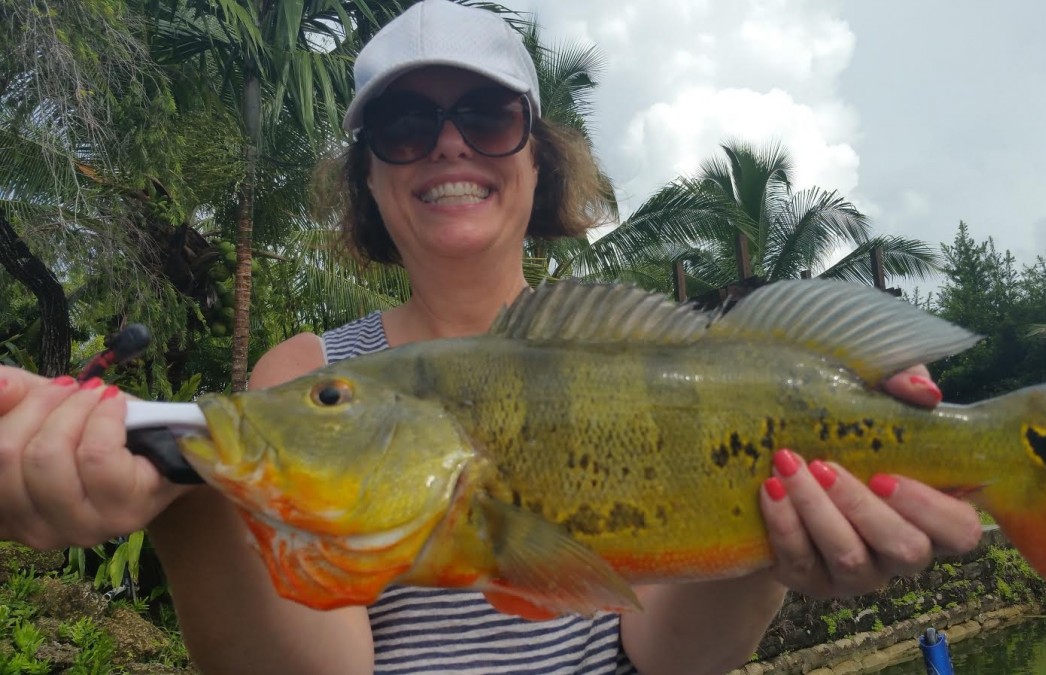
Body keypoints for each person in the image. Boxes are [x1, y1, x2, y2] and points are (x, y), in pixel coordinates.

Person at [0, 1, 983, 673]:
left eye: (486, 113)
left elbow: (665, 658)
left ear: (537, 155)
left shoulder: (642, 357)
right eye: (404, 126)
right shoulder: (304, 378)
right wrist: (179, 489)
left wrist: (779, 550)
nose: (449, 145)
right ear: (370, 181)